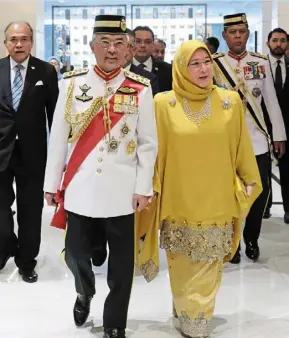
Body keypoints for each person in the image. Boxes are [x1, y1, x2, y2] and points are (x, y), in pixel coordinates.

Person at [135, 40, 262, 338]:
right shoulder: (163, 104)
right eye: (194, 63)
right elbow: (153, 152)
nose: (203, 68)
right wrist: (147, 188)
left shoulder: (230, 101)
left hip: (216, 201)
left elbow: (242, 147)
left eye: (207, 61)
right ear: (180, 67)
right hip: (177, 202)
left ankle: (198, 319)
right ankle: (183, 308)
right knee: (181, 266)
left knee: (208, 265)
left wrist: (249, 180)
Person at [43, 15, 157, 338]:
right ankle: (84, 292)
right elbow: (58, 138)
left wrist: (143, 187)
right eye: (104, 43)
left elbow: (148, 144)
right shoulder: (72, 84)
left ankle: (115, 322)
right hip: (81, 190)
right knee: (76, 253)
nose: (111, 50)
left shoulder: (140, 89)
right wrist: (52, 184)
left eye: (119, 43)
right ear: (91, 46)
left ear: (128, 50)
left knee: (122, 267)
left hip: (122, 193)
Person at [213, 13, 286, 263]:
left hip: (256, 138)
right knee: (226, 193)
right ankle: (230, 243)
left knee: (260, 191)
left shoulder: (260, 62)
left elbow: (271, 102)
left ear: (247, 34)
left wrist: (279, 136)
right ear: (225, 35)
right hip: (224, 141)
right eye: (232, 32)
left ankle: (251, 238)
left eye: (242, 32)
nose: (237, 36)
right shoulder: (214, 64)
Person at [0, 21, 59, 282]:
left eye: (24, 39)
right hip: (1, 154)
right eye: (13, 39)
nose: (19, 44)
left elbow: (54, 117)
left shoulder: (45, 71)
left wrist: (60, 157)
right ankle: (5, 247)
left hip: (33, 155)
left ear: (31, 42)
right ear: (6, 44)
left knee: (30, 211)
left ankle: (26, 262)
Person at [266, 28, 289, 223]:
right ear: (268, 43)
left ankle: (288, 209)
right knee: (264, 168)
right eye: (275, 40)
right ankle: (265, 207)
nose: (278, 44)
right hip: (264, 125)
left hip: (288, 126)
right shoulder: (260, 65)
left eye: (282, 41)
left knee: (287, 169)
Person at [133, 26, 172, 92]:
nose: (143, 45)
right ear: (131, 43)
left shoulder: (168, 70)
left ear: (153, 45)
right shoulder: (122, 68)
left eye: (147, 42)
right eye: (138, 41)